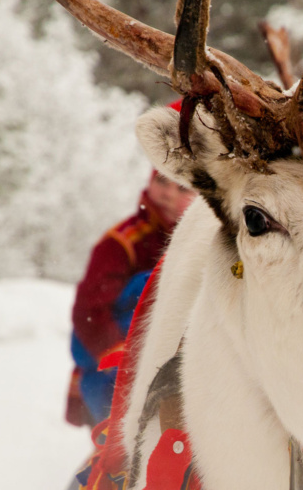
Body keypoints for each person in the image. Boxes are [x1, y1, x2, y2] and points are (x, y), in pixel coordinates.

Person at [65, 166, 197, 427]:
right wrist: (124, 361)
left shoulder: (201, 243)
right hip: (114, 374)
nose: (168, 194)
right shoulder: (122, 241)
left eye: (182, 187)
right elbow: (89, 311)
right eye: (162, 181)